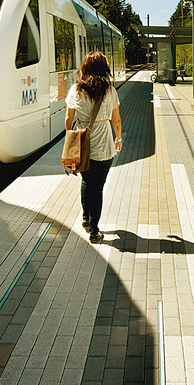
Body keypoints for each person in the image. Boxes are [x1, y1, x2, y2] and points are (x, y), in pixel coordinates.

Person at [65, 51, 122, 243]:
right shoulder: (110, 91)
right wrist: (119, 138)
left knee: (86, 181)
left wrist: (70, 138)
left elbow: (68, 118)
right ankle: (94, 230)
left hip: (81, 144)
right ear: (103, 68)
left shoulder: (75, 90)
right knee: (97, 187)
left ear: (85, 68)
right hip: (104, 145)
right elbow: (116, 119)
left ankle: (85, 218)